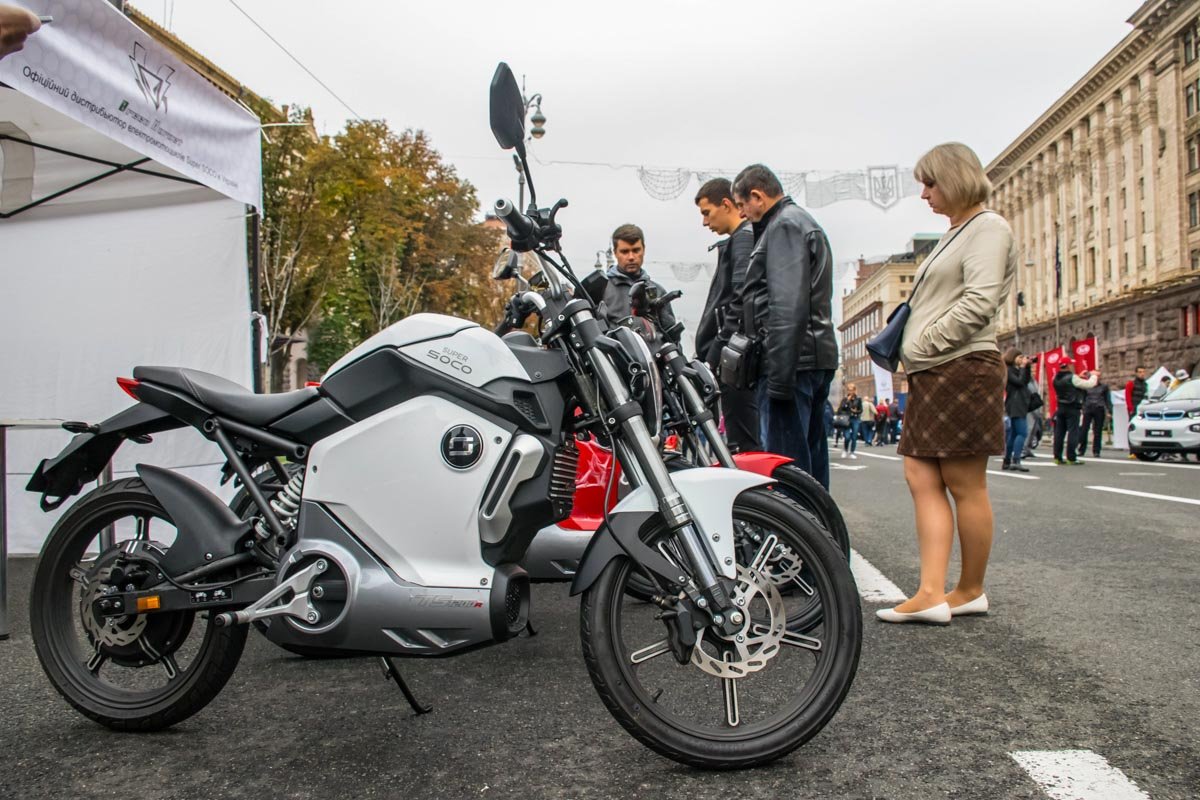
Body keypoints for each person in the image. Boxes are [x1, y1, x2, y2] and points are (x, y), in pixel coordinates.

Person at [878, 142, 1015, 626]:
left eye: (930, 183)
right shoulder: (957, 232)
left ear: (956, 178)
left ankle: (968, 588)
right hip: (938, 369)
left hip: (961, 364)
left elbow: (979, 302)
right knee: (920, 473)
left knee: (964, 481)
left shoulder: (988, 228)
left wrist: (922, 344)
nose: (923, 194)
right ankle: (934, 591)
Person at [731, 164, 838, 488]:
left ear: (757, 196)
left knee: (786, 467)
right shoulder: (799, 222)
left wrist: (778, 377)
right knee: (810, 463)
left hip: (791, 361)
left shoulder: (783, 226)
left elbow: (786, 306)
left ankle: (794, 536)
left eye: (742, 206)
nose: (743, 215)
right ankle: (817, 534)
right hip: (809, 355)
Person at [692, 179, 759, 452]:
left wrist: (719, 344)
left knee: (742, 442)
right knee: (741, 436)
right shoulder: (739, 240)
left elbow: (740, 296)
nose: (705, 222)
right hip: (735, 352)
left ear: (727, 204)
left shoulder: (742, 238)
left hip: (734, 355)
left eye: (707, 212)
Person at [599, 224, 677, 331]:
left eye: (636, 250)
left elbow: (672, 337)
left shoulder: (658, 292)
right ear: (615, 253)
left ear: (643, 250)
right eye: (625, 251)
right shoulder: (600, 290)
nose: (631, 257)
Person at [1052, 359, 1098, 465]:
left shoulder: (1055, 378)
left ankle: (1057, 457)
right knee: (1073, 432)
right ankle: (1071, 457)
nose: (1073, 366)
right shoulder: (1072, 377)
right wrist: (1094, 375)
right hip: (1072, 407)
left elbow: (1070, 382)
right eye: (1071, 364)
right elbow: (1089, 384)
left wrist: (1078, 376)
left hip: (1061, 407)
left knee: (1059, 433)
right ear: (1068, 365)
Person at [1002, 348, 1032, 472]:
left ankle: (1007, 461)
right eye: (1019, 357)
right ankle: (1016, 460)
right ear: (1012, 358)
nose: (1021, 359)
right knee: (1022, 433)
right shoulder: (1009, 371)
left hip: (1018, 404)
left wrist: (1027, 368)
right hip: (1015, 405)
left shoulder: (1016, 370)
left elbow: (1025, 381)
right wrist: (1024, 367)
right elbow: (1020, 382)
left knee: (1014, 434)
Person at [1076, 371, 1112, 459]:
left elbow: (1107, 399)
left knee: (1098, 431)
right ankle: (1081, 449)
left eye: (1098, 376)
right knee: (1084, 429)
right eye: (1094, 375)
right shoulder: (1087, 386)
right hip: (1088, 409)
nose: (1097, 377)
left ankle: (1096, 451)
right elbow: (1083, 397)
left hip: (1099, 409)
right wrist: (1082, 408)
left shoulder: (1104, 387)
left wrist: (1109, 411)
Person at [838, 385, 863, 459]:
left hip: (855, 419)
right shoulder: (845, 399)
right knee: (847, 436)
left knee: (854, 436)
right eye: (849, 390)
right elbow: (841, 408)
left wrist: (856, 411)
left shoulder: (858, 399)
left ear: (855, 390)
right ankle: (845, 450)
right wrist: (847, 401)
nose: (850, 391)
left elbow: (861, 410)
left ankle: (852, 452)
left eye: (852, 390)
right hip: (846, 419)